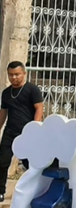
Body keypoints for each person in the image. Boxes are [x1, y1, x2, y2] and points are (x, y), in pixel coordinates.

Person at [0, 61, 43, 201]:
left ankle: (36, 191)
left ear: (24, 73)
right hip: (10, 131)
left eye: (17, 74)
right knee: (2, 161)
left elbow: (39, 108)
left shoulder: (32, 89)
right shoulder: (6, 93)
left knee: (29, 163)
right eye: (11, 75)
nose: (14, 77)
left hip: (27, 132)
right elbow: (3, 112)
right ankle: (1, 191)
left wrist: (35, 128)